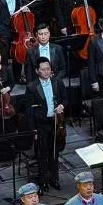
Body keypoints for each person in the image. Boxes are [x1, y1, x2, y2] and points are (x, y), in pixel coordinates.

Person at [26, 57, 66, 192]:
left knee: (54, 152)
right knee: (42, 154)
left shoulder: (57, 82)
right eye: (43, 69)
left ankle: (54, 178)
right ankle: (43, 181)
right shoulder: (31, 87)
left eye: (48, 69)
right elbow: (29, 112)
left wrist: (61, 106)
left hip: (56, 123)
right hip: (41, 125)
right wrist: (33, 130)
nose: (46, 72)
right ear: (37, 71)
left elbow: (65, 99)